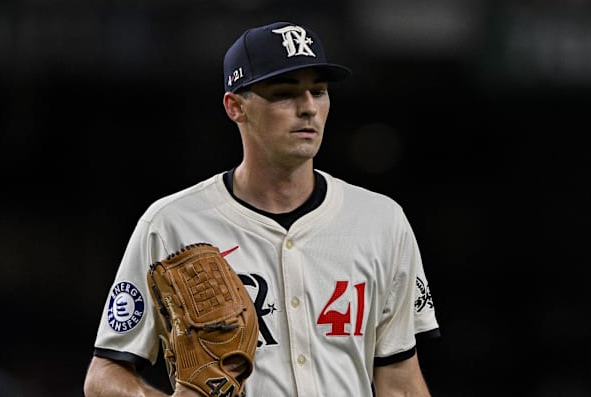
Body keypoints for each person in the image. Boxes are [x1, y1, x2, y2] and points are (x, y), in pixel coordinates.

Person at [83, 20, 440, 397]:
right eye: (285, 94)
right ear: (235, 106)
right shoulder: (171, 224)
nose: (308, 109)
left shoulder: (380, 221)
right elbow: (104, 377)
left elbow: (400, 381)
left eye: (318, 92)